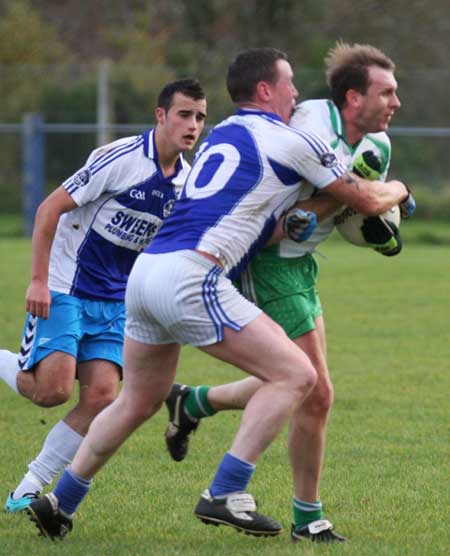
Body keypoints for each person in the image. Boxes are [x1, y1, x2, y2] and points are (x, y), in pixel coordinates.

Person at [26, 46, 414, 542]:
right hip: (193, 276)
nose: (297, 92)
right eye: (289, 82)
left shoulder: (219, 135)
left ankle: (61, 501)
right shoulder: (292, 139)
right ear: (264, 90)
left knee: (137, 401)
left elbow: (261, 223)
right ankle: (227, 490)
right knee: (297, 375)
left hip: (145, 276)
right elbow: (364, 197)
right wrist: (399, 189)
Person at [163, 42, 412, 543]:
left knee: (301, 382)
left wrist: (375, 226)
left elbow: (346, 212)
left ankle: (193, 404)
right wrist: (399, 194)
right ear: (352, 98)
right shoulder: (310, 122)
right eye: (387, 92)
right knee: (315, 391)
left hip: (303, 266)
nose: (396, 102)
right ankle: (307, 517)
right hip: (268, 260)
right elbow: (343, 197)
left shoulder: (377, 147)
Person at [0, 78, 207, 512]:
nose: (193, 125)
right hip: (66, 283)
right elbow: (48, 210)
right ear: (161, 115)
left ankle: (27, 489)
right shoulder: (121, 158)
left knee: (100, 397)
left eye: (200, 117)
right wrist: (38, 280)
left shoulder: (187, 183)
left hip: (117, 299)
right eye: (184, 114)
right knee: (51, 391)